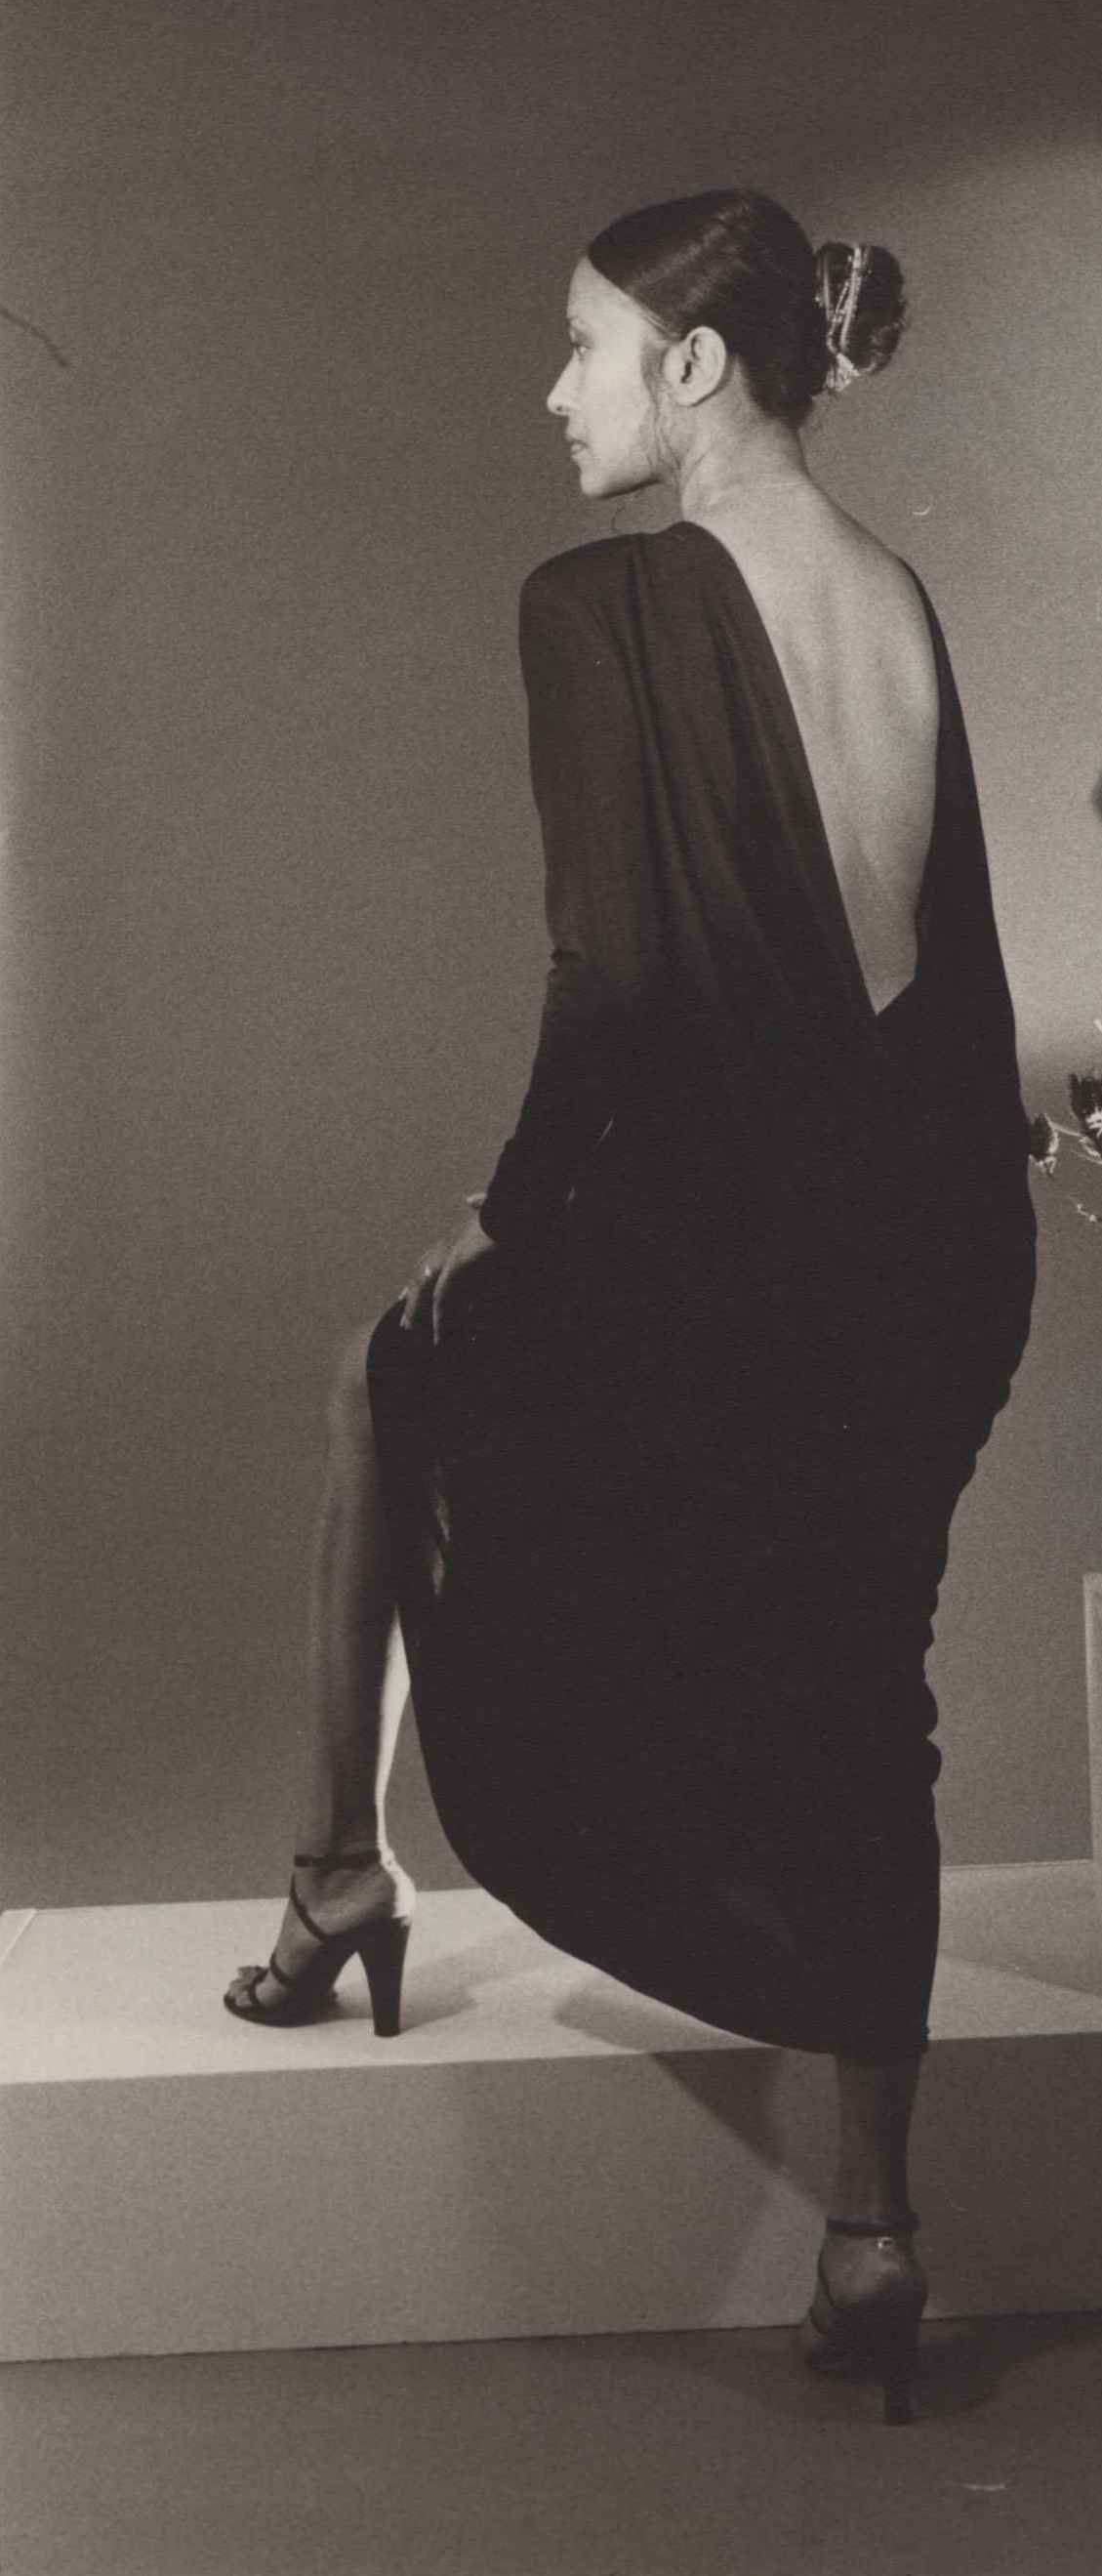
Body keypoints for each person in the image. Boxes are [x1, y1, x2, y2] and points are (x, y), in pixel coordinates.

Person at [221, 189, 1037, 2423]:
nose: (554, 391)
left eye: (582, 346)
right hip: (930, 1242)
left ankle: (332, 1875)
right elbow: (923, 971)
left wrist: (503, 1212)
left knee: (387, 1369)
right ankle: (872, 2227)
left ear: (693, 365)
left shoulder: (601, 602)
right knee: (869, 1672)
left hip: (736, 1250)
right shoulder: (897, 597)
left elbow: (611, 969)